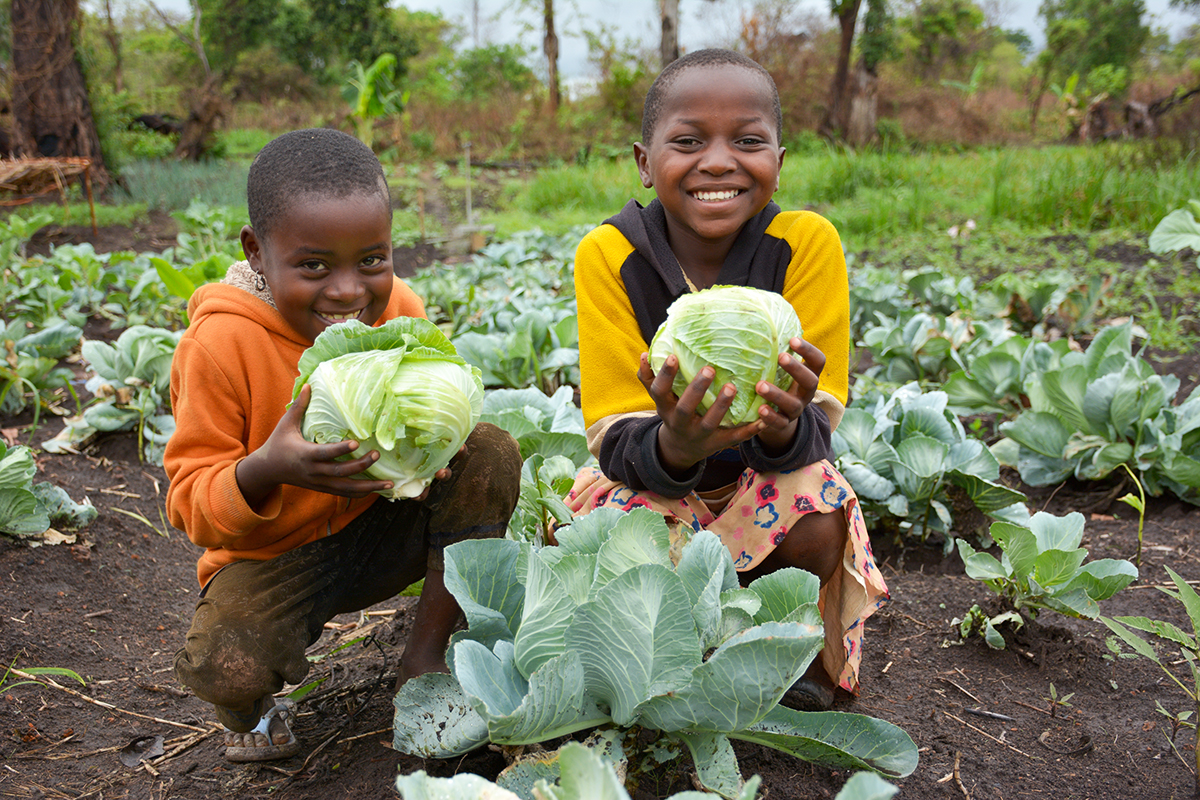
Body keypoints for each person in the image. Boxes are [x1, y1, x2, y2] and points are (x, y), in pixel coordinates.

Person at [163, 128, 522, 762]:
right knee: (228, 665)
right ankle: (251, 711)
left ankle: (425, 658)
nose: (348, 291)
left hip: (382, 524)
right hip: (273, 562)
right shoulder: (218, 347)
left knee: (489, 450)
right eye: (314, 265)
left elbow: (446, 404)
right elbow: (189, 504)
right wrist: (266, 469)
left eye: (373, 260)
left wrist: (442, 449)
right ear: (255, 250)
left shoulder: (399, 312)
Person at [568, 49, 887, 711]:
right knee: (612, 542)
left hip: (761, 487)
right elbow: (611, 431)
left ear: (779, 156)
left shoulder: (808, 243)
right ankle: (665, 651)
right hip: (649, 488)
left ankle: (777, 643)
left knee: (817, 506)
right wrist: (676, 446)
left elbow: (819, 424)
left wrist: (786, 427)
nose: (718, 162)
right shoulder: (608, 253)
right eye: (687, 142)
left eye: (747, 141)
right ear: (643, 160)